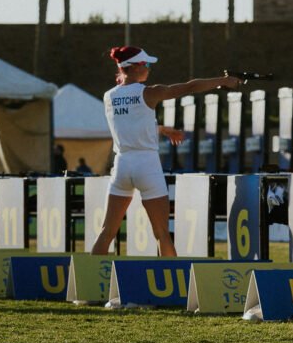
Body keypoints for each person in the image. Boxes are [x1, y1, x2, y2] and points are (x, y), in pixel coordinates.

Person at [90, 46, 241, 256]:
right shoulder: (149, 92)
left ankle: (91, 284)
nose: (149, 69)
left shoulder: (109, 96)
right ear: (135, 67)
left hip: (122, 166)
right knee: (162, 233)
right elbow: (190, 87)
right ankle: (173, 285)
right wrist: (223, 81)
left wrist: (160, 129)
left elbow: (129, 123)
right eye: (147, 65)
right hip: (147, 165)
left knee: (107, 232)